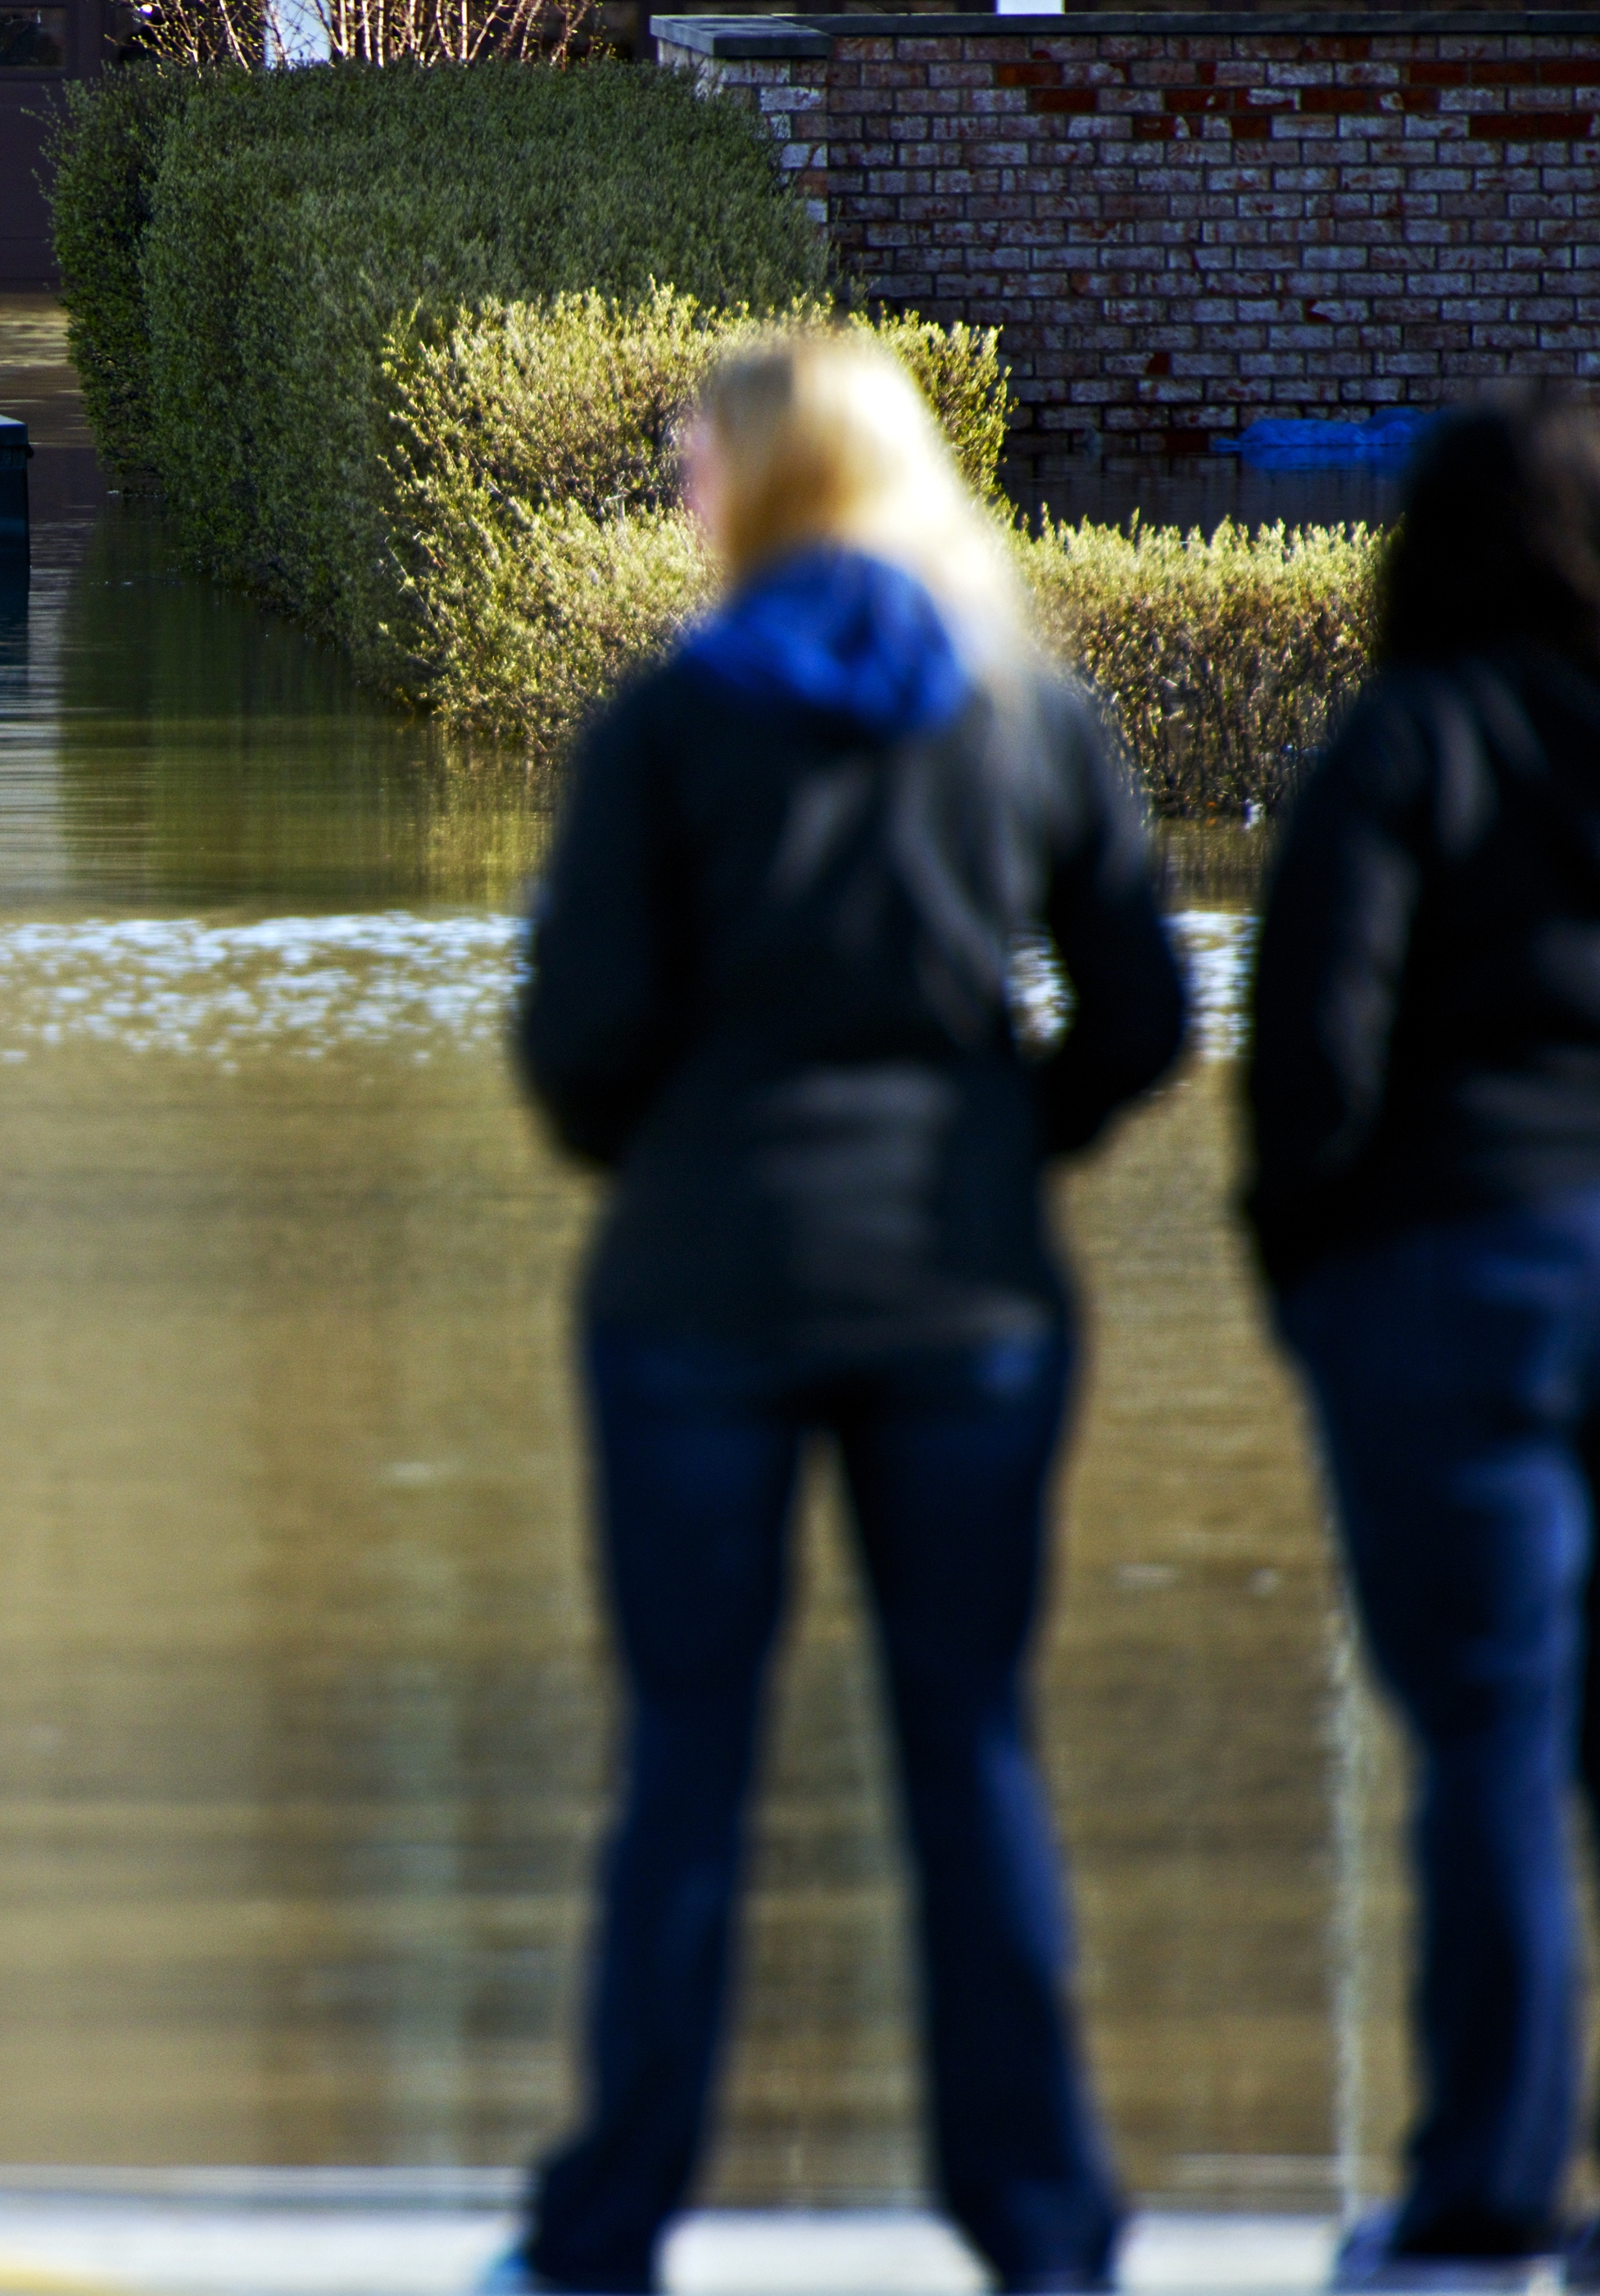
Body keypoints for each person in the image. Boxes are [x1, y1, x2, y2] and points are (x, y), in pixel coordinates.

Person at [501, 331, 1187, 2296]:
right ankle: (1045, 2227)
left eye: (697, 464)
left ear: (768, 489)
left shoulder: (668, 721)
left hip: (699, 1292)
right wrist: (1000, 1134)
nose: (683, 496)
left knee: (688, 1767)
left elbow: (574, 1046)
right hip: (965, 1291)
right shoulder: (1024, 708)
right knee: (969, 1748)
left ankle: (608, 2225)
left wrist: (683, 1146)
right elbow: (1143, 1016)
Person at [1244, 389, 1600, 2294]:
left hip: (1460, 1268)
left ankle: (1487, 2179)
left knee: (1489, 1731)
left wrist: (1312, 1277)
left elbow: (1312, 1050)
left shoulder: (1401, 747)